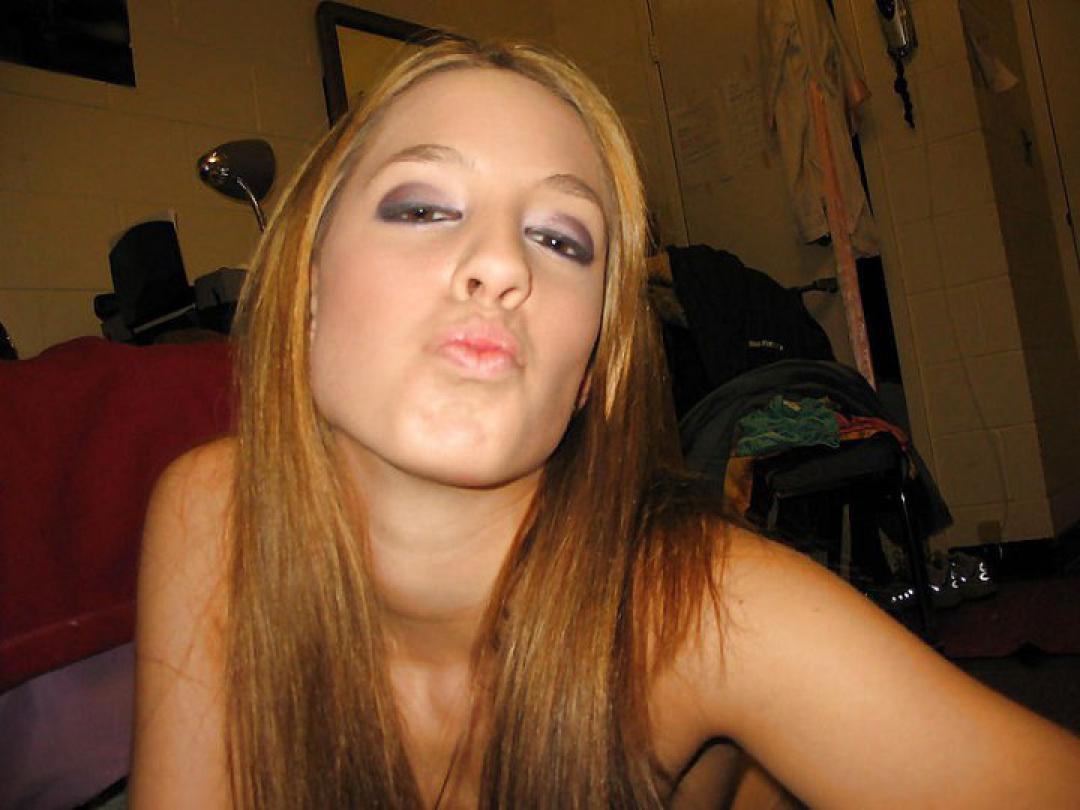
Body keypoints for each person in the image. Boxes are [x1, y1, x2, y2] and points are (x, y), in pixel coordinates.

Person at [129, 38, 1080, 809]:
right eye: (421, 208)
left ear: (588, 370)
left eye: (559, 238)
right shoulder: (215, 515)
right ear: (305, 291)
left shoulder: (699, 612)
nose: (502, 264)